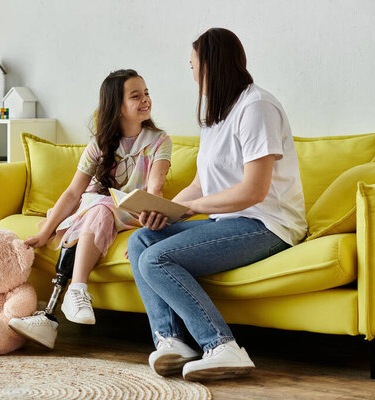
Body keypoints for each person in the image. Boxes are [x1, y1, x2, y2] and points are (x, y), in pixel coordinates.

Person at [127, 28, 307, 381]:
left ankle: (223, 345)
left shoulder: (257, 107)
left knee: (157, 257)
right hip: (228, 221)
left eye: (193, 64)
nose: (191, 72)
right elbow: (200, 184)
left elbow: (254, 191)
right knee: (142, 240)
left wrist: (196, 208)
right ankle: (173, 341)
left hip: (268, 223)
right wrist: (161, 209)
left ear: (209, 65)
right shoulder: (217, 114)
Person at [9, 69, 173, 350]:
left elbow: (155, 190)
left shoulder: (159, 141)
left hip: (133, 215)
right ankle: (68, 299)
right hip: (96, 209)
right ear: (116, 106)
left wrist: (147, 231)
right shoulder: (99, 144)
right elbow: (74, 192)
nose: (145, 100)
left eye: (146, 93)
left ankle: (56, 309)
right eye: (136, 96)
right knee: (101, 208)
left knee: (104, 207)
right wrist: (46, 231)